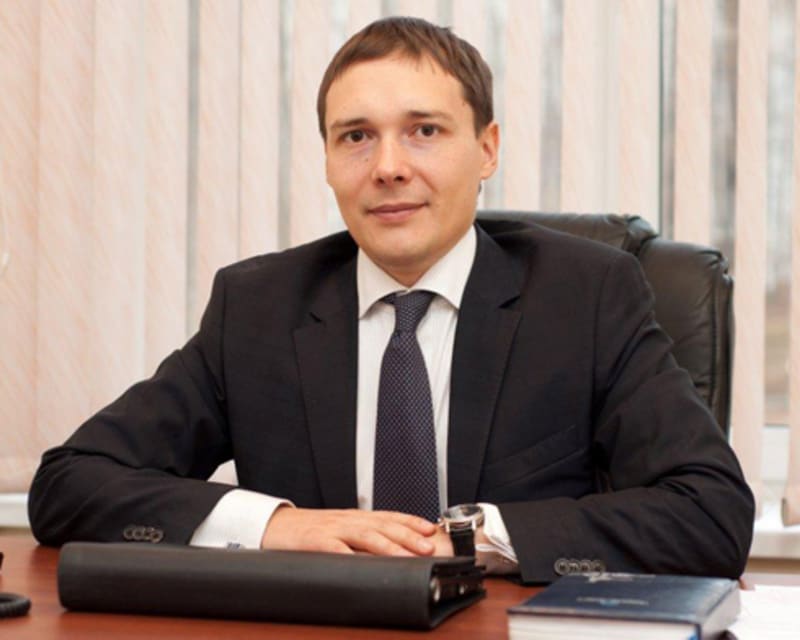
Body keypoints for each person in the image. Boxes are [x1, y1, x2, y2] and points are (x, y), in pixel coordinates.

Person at [28, 16, 753, 583]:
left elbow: (711, 512)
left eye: (424, 131)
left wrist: (472, 541)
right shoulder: (258, 307)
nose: (388, 167)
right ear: (327, 160)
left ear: (488, 149)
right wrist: (277, 525)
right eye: (356, 137)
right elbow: (69, 484)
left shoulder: (586, 296)